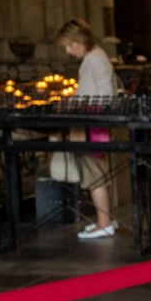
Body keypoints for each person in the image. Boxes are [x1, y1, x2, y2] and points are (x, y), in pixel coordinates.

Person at [57, 19, 117, 240]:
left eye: (70, 45)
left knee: (95, 174)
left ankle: (104, 223)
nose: (68, 50)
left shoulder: (95, 60)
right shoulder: (95, 57)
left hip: (94, 122)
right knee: (97, 172)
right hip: (94, 120)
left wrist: (77, 103)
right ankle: (105, 219)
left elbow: (104, 95)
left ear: (80, 40)